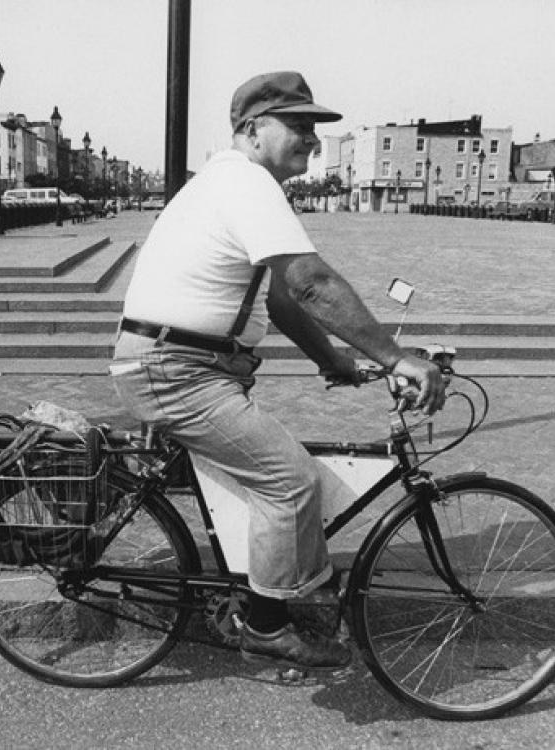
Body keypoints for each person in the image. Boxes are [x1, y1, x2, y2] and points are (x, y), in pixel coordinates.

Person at [109, 71, 445, 672]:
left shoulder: (239, 183)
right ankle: (264, 627)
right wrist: (395, 357)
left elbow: (286, 302)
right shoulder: (244, 182)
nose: (311, 141)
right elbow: (309, 282)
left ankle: (273, 589)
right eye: (297, 126)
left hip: (186, 364)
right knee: (288, 480)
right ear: (249, 129)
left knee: (270, 473)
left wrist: (335, 362)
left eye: (314, 129)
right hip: (175, 369)